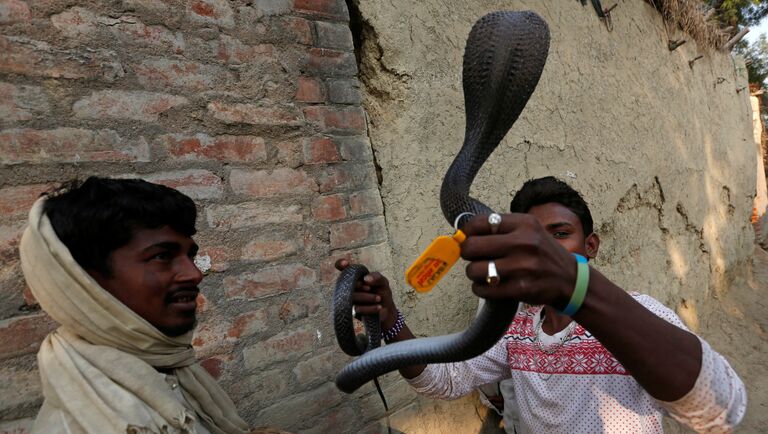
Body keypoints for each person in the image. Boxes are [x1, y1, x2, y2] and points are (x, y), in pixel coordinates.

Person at [338, 176, 747, 433]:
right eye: (536, 238)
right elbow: (444, 381)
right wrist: (389, 319)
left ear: (590, 246)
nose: (547, 249)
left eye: (560, 234)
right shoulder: (515, 326)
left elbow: (722, 411)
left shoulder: (638, 313)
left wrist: (576, 286)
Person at [19, 177, 250, 434]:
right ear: (82, 280)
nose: (194, 274)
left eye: (190, 255)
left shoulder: (174, 371)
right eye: (162, 256)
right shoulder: (77, 427)